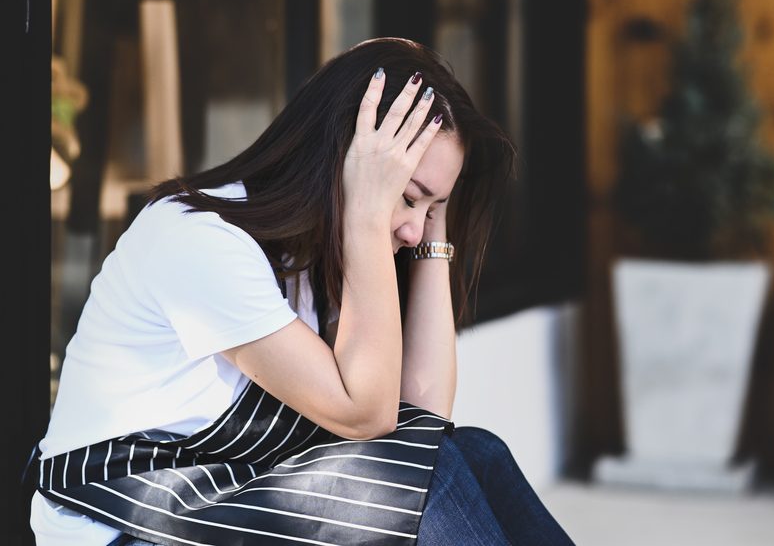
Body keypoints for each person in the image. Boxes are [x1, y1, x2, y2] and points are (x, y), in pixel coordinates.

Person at [30, 37, 576, 546]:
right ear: (344, 158)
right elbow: (367, 416)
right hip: (121, 525)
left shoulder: (322, 255)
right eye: (407, 196)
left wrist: (433, 224)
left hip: (226, 495)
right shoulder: (198, 238)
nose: (413, 230)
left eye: (432, 209)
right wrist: (368, 213)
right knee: (421, 487)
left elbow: (422, 419)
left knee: (474, 452)